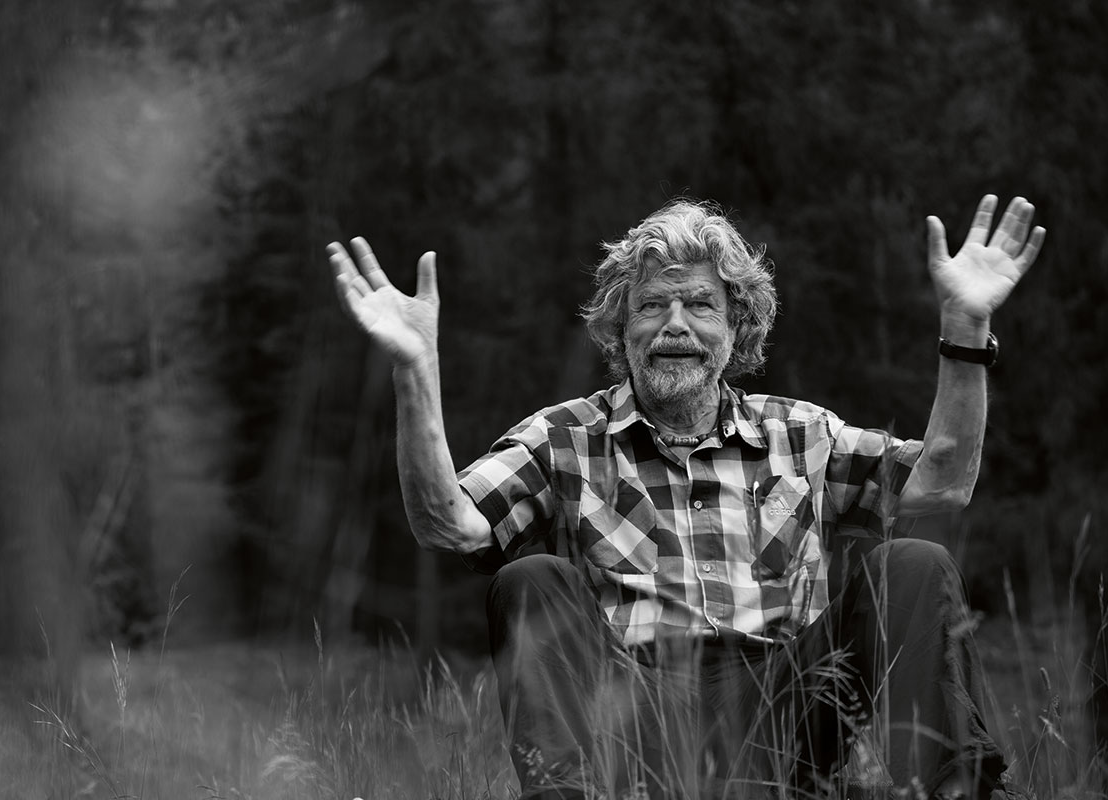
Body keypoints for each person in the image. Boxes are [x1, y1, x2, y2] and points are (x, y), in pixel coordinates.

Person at [327, 195, 1044, 800]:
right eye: (651, 306)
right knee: (530, 578)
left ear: (738, 328)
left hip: (785, 716)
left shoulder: (802, 432)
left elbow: (943, 484)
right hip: (629, 719)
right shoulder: (564, 437)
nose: (675, 324)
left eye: (700, 303)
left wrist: (967, 329)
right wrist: (414, 371)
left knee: (913, 563)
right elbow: (447, 524)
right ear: (621, 330)